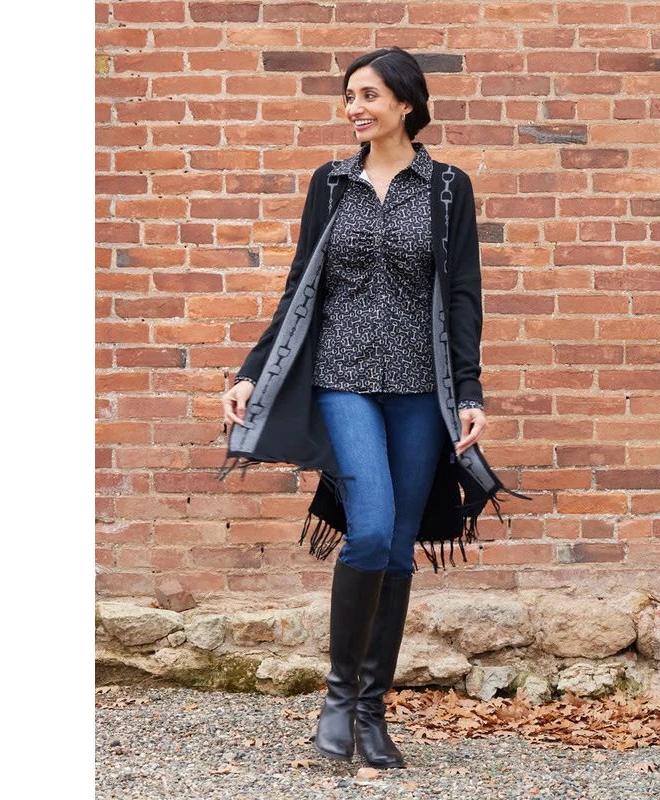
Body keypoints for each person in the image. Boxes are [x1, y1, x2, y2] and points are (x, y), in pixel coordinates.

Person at [220, 47, 525, 769]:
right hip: (343, 379)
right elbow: (301, 284)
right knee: (372, 528)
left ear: (406, 104)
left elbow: (463, 295)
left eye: (368, 95)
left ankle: (371, 711)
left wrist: (470, 391)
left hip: (421, 389)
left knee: (397, 545)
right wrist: (253, 372)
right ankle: (337, 698)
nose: (354, 108)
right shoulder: (331, 183)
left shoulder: (447, 188)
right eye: (350, 96)